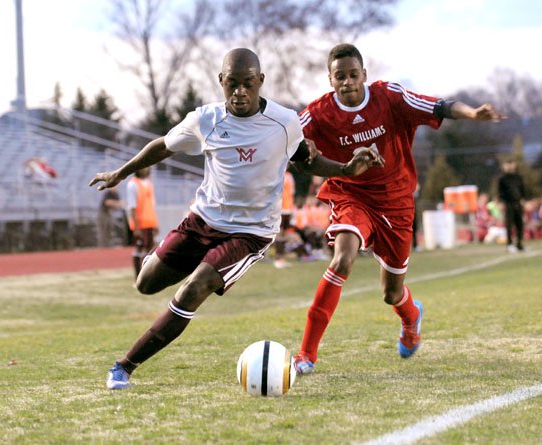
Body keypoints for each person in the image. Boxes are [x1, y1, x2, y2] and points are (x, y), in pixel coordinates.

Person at [88, 48, 384, 390]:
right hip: (201, 222)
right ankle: (204, 262)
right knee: (145, 282)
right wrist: (121, 173)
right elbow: (162, 146)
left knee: (193, 289)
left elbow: (306, 160)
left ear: (260, 82)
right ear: (221, 82)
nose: (240, 92)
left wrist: (346, 169)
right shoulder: (205, 120)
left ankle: (124, 366)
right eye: (232, 84)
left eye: (247, 84)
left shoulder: (284, 122)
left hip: (250, 233)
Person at [293, 43, 504, 374]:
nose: (347, 82)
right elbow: (282, 133)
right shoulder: (319, 112)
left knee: (391, 293)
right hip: (352, 194)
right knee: (342, 257)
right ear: (330, 80)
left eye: (352, 75)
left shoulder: (389, 97)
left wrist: (473, 114)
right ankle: (306, 354)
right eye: (339, 77)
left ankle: (411, 318)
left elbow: (439, 106)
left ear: (364, 74)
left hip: (396, 202)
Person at [126, 167, 159, 280]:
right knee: (139, 250)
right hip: (140, 224)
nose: (147, 169)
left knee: (149, 250)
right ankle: (138, 277)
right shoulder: (133, 184)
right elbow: (132, 207)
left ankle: (147, 276)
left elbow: (152, 205)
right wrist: (136, 227)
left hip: (149, 222)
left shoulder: (149, 183)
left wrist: (155, 223)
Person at [497, 158, 526, 253]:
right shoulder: (503, 178)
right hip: (508, 204)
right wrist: (501, 202)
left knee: (520, 225)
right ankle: (509, 244)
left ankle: (519, 244)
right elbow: (500, 192)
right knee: (509, 225)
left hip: (518, 203)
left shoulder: (518, 177)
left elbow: (522, 189)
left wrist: (523, 199)